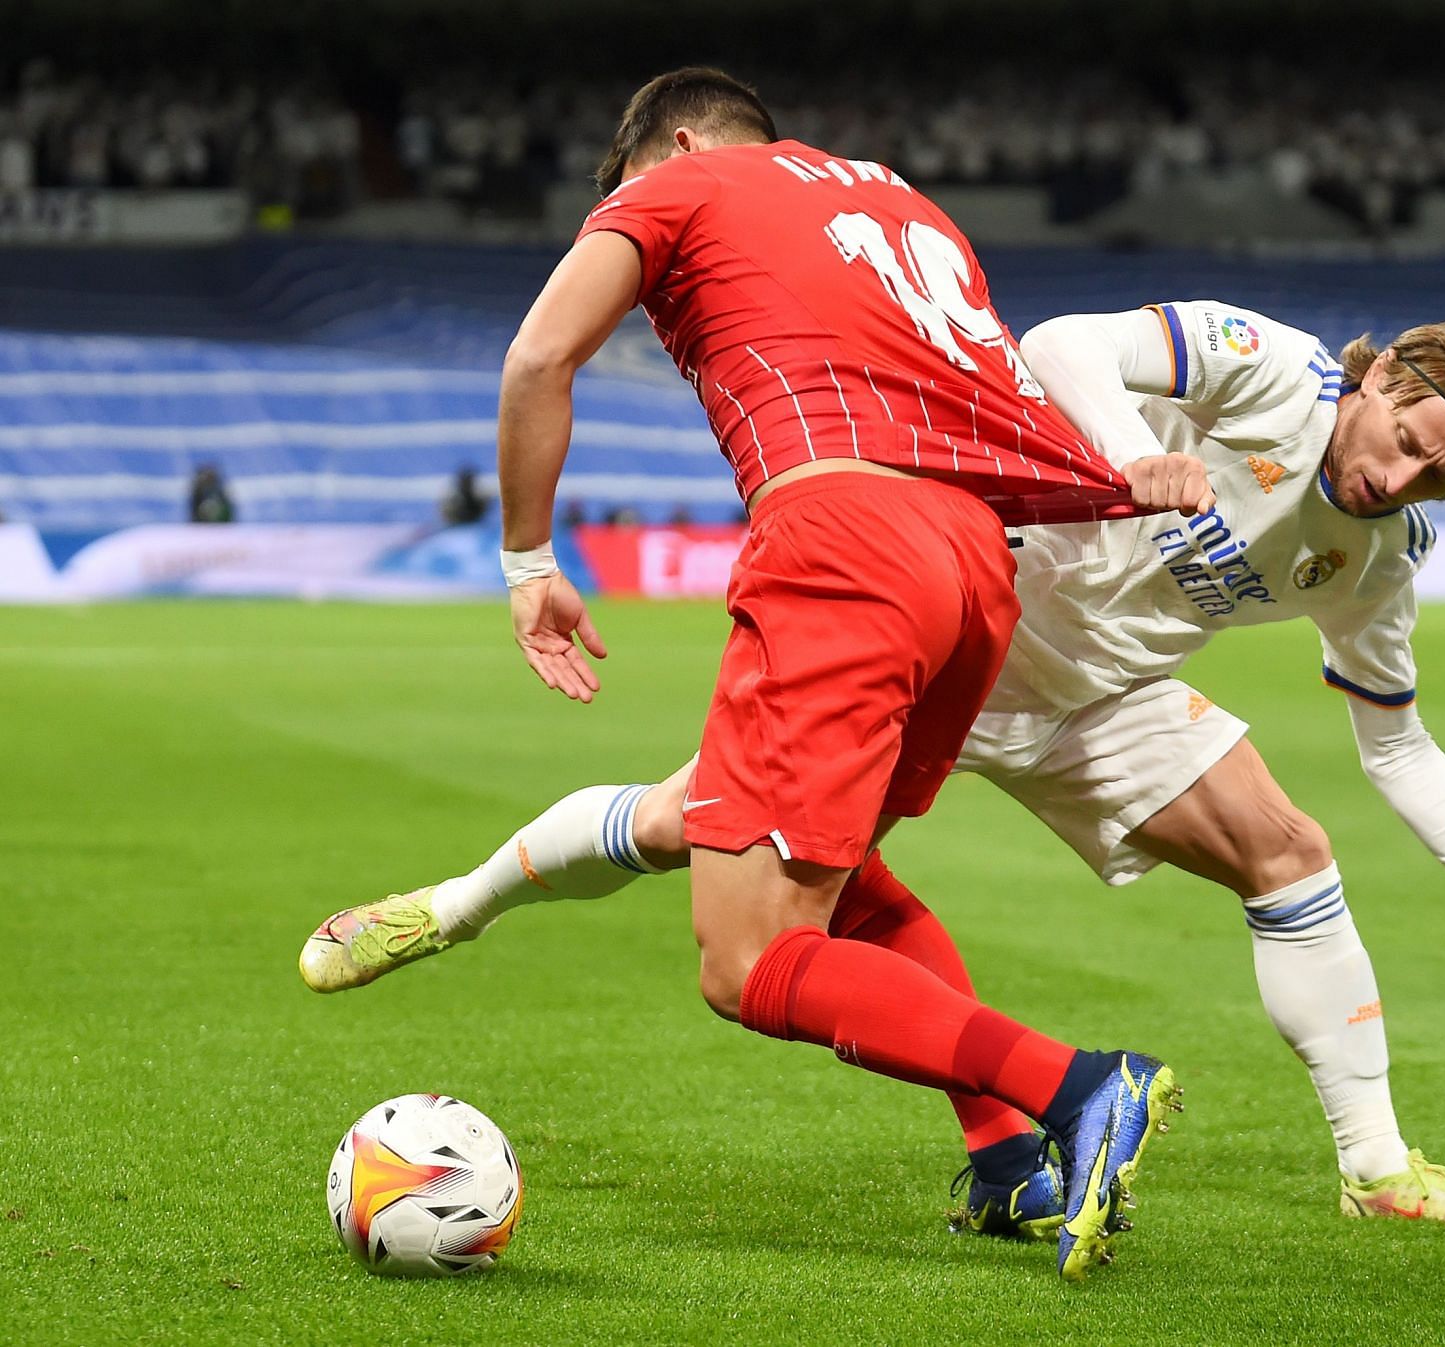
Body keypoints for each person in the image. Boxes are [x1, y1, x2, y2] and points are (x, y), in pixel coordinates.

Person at [303, 296, 1445, 1233]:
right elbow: (1061, 346)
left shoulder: (1380, 558)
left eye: (1438, 480)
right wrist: (1119, 453)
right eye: (1409, 440)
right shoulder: (1270, 366)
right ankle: (454, 905)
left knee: (1291, 853)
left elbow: (1393, 733)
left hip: (1101, 699)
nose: (1399, 479)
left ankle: (1376, 1165)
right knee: (683, 830)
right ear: (1384, 380)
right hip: (952, 627)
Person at [299, 68, 1207, 1282]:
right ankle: (1006, 1162)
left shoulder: (684, 184)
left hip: (841, 546)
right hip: (973, 569)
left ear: (671, 144)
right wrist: (1116, 469)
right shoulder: (905, 206)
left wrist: (528, 566)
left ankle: (1082, 1090)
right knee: (824, 875)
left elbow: (537, 359)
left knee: (749, 961)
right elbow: (993, 392)